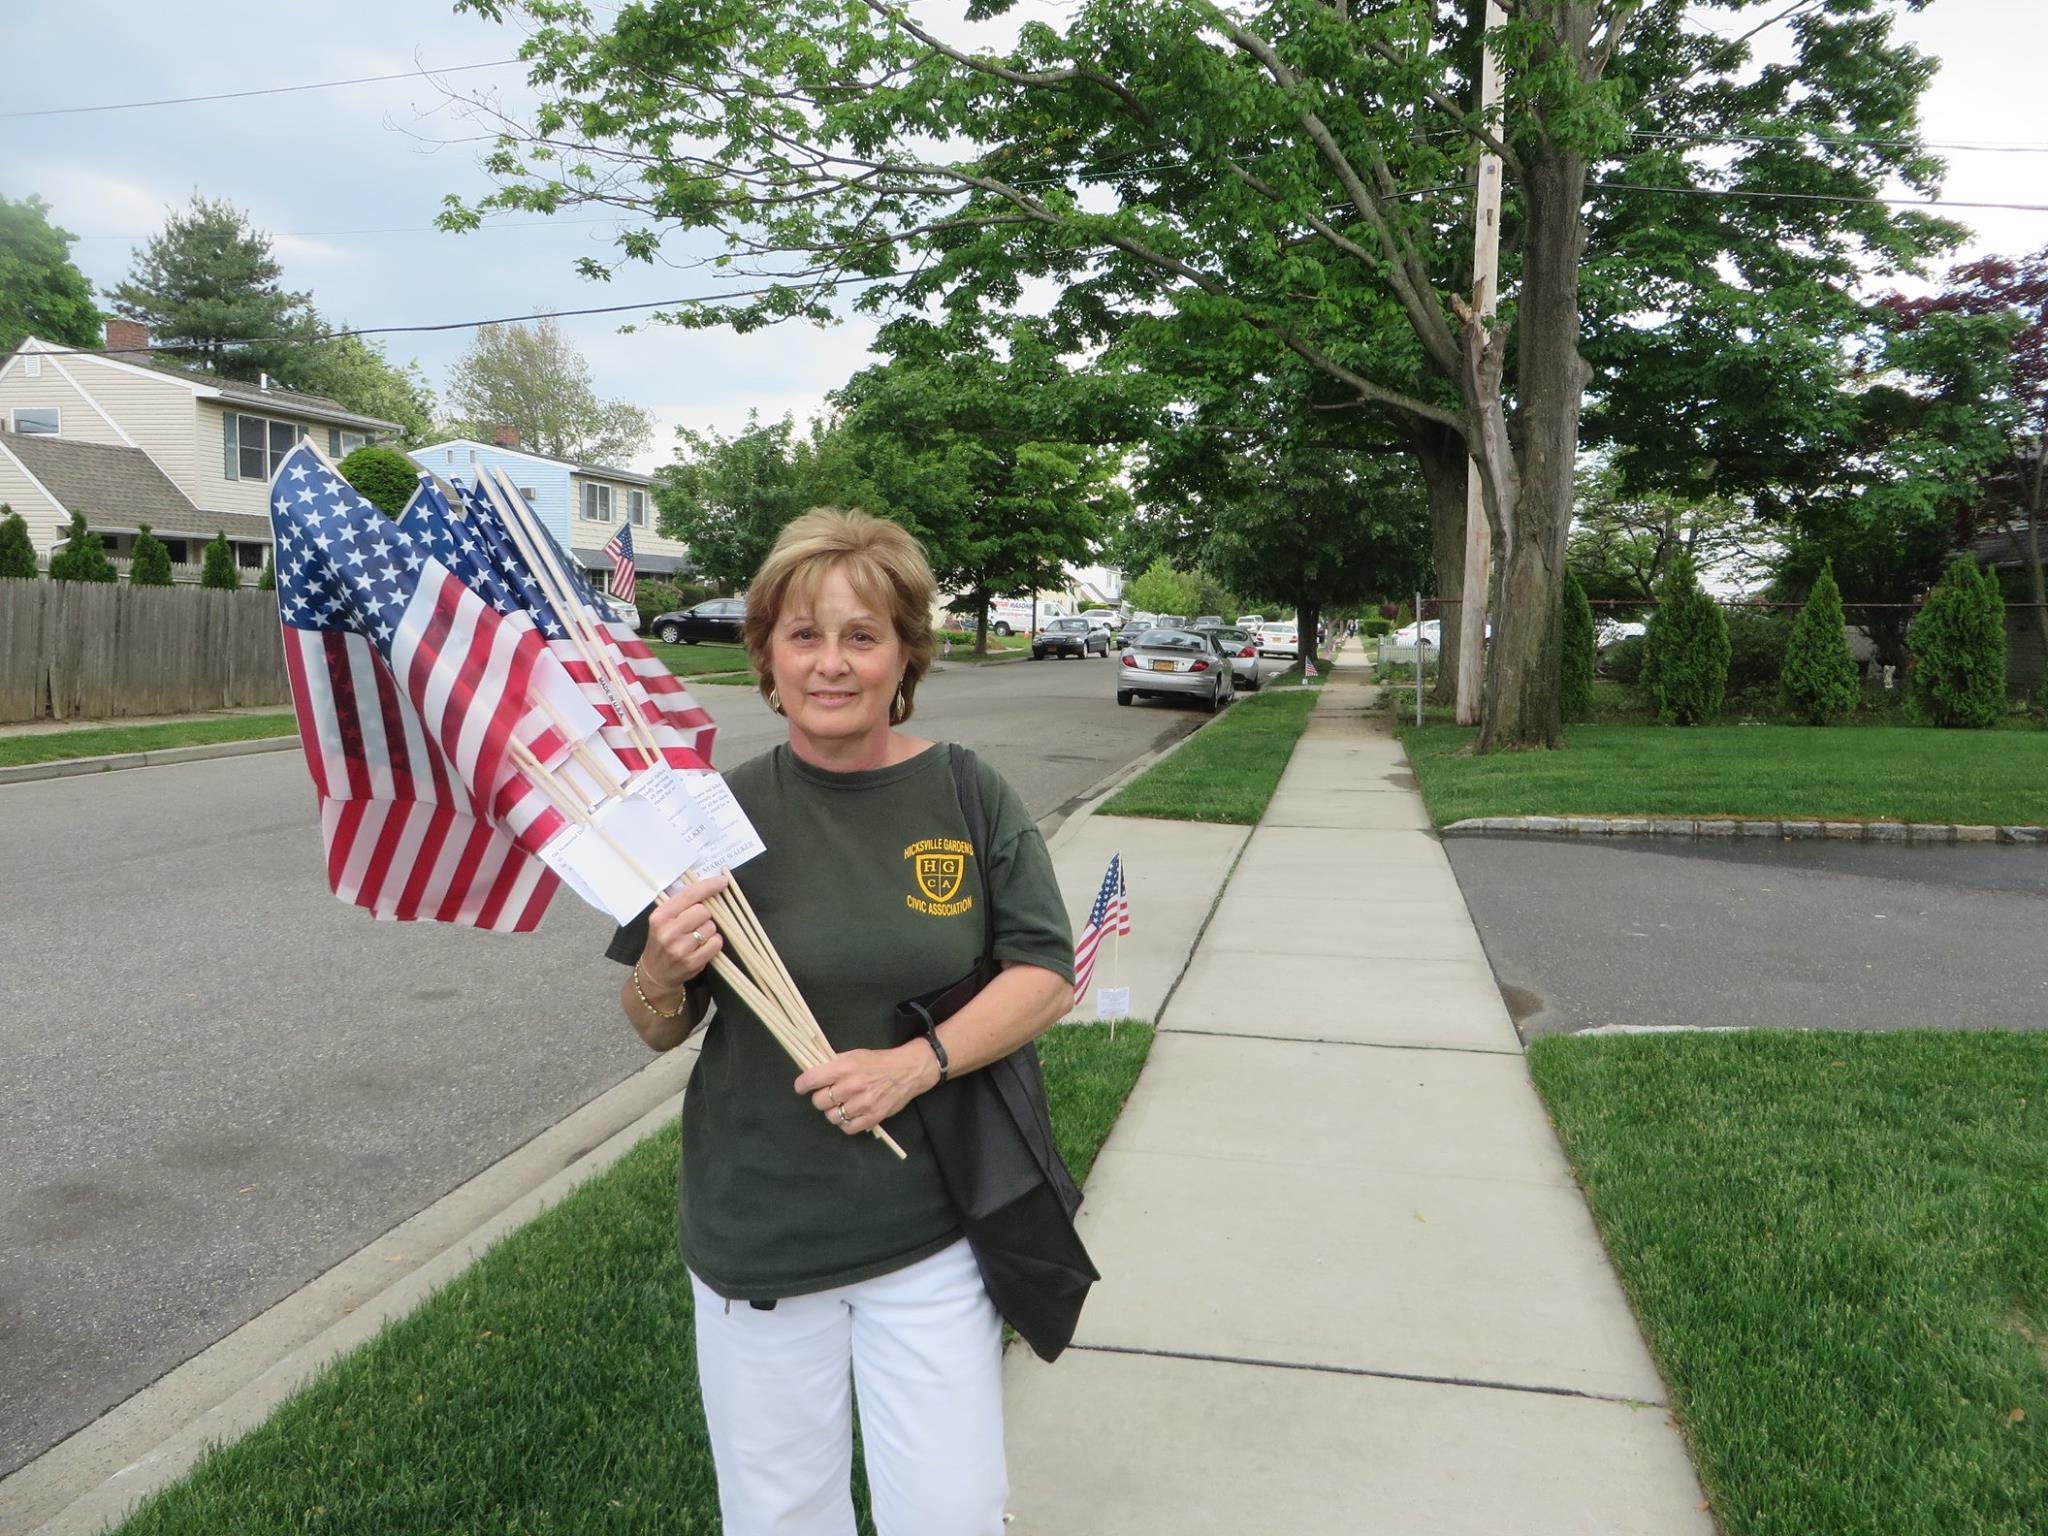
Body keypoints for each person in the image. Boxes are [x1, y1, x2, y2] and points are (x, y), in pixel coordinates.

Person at [607, 508, 1076, 1536]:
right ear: (767, 655)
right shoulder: (707, 817)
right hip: (759, 1238)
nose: (830, 664)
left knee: (950, 1514)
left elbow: (1044, 971)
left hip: (930, 1232)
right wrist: (658, 964)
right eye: (803, 635)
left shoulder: (964, 793)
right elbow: (655, 1025)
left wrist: (917, 1065)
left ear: (904, 654)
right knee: (780, 1519)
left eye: (860, 636)